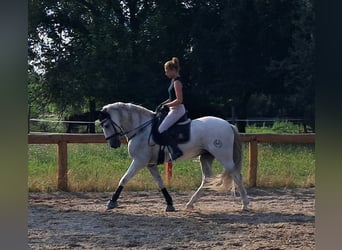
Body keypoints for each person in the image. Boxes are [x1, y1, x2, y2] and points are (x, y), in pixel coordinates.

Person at [158, 57, 186, 161]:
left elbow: (179, 100)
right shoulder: (173, 81)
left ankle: (176, 151)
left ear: (173, 70)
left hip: (177, 109)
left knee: (161, 129)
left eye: (167, 71)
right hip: (173, 108)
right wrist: (162, 104)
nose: (166, 74)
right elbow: (171, 98)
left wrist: (167, 106)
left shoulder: (177, 82)